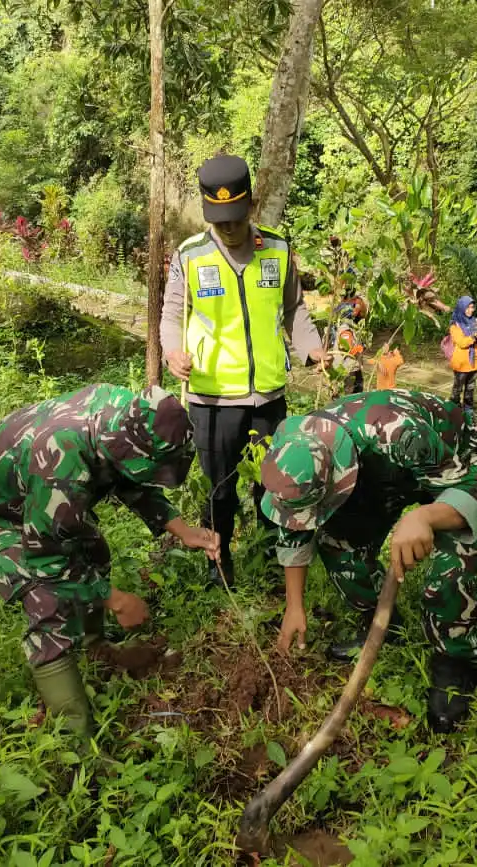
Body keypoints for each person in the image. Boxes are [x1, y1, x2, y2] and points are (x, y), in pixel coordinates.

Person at [0, 384, 220, 738]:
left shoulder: (126, 414)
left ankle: (95, 652)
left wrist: (183, 530)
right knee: (46, 599)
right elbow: (46, 557)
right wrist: (116, 600)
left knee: (92, 550)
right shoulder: (63, 460)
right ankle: (76, 739)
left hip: (35, 490)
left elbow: (129, 474)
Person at [260, 390, 477, 732]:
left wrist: (425, 517)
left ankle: (456, 662)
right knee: (340, 547)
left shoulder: (398, 432)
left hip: (456, 463)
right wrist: (294, 605)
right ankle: (383, 626)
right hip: (382, 477)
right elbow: (295, 527)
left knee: (448, 572)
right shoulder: (294, 453)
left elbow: (467, 491)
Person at [159, 155, 327, 587]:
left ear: (251, 205)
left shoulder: (278, 248)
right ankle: (220, 564)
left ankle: (274, 560)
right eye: (220, 221)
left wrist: (312, 349)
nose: (229, 228)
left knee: (272, 483)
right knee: (220, 489)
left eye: (235, 218)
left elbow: (294, 310)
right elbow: (173, 313)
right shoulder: (190, 256)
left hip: (267, 396)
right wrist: (172, 351)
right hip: (212, 399)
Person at [448, 296, 477, 411]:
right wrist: (474, 336)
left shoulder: (475, 321)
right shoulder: (455, 325)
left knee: (470, 388)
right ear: (461, 308)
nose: (471, 310)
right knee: (458, 389)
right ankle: (454, 409)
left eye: (472, 307)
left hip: (474, 361)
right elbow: (461, 343)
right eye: (467, 308)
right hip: (461, 364)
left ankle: (468, 410)